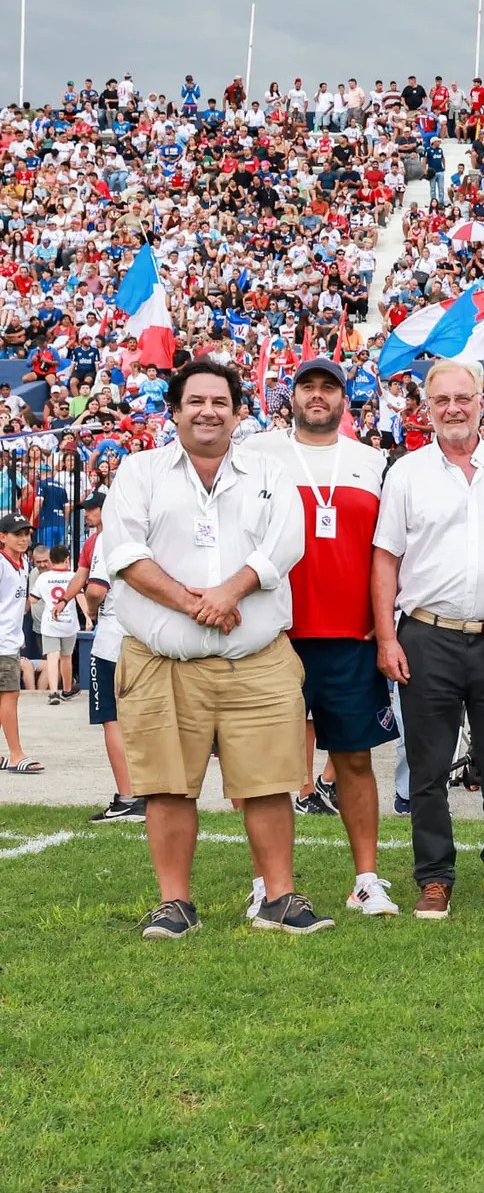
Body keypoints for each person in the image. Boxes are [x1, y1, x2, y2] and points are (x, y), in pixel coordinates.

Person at [97, 358, 322, 939]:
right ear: (174, 411)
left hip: (257, 659)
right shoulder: (140, 471)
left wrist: (229, 592)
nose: (208, 411)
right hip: (162, 663)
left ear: (238, 412)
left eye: (220, 402)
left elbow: (286, 543)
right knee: (168, 785)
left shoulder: (269, 471)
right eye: (195, 401)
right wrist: (195, 602)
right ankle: (175, 904)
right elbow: (124, 553)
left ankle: (279, 899)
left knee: (269, 783)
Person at [372, 359, 484, 919]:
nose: (453, 408)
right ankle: (434, 878)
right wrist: (386, 638)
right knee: (427, 769)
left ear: (480, 401)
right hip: (427, 635)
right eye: (441, 399)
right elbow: (386, 559)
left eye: (462, 398)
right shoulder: (406, 474)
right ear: (427, 407)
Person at [249, 359, 400, 917]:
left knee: (354, 760)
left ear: (344, 400)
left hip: (351, 637)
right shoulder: (258, 454)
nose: (317, 396)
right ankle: (267, 884)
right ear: (291, 397)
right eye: (307, 386)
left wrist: (385, 619)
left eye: (328, 388)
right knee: (266, 767)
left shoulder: (372, 462)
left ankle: (366, 880)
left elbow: (390, 548)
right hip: (273, 634)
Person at [66, 495, 141, 819]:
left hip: (113, 637)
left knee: (112, 717)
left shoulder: (106, 537)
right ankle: (155, 793)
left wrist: (93, 612)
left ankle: (128, 798)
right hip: (147, 636)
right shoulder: (151, 531)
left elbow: (95, 589)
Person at [0, 514, 38, 776]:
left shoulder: (23, 562)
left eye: (26, 533)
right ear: (2, 537)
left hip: (10, 640)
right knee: (9, 695)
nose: (24, 538)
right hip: (2, 642)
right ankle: (16, 754)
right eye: (17, 534)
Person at [30, 544, 79, 699]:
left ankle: (53, 693)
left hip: (49, 623)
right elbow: (80, 596)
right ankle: (67, 689)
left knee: (52, 658)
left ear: (51, 560)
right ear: (67, 559)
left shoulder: (42, 578)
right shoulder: (73, 576)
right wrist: (88, 616)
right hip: (69, 623)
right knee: (66, 657)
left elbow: (32, 599)